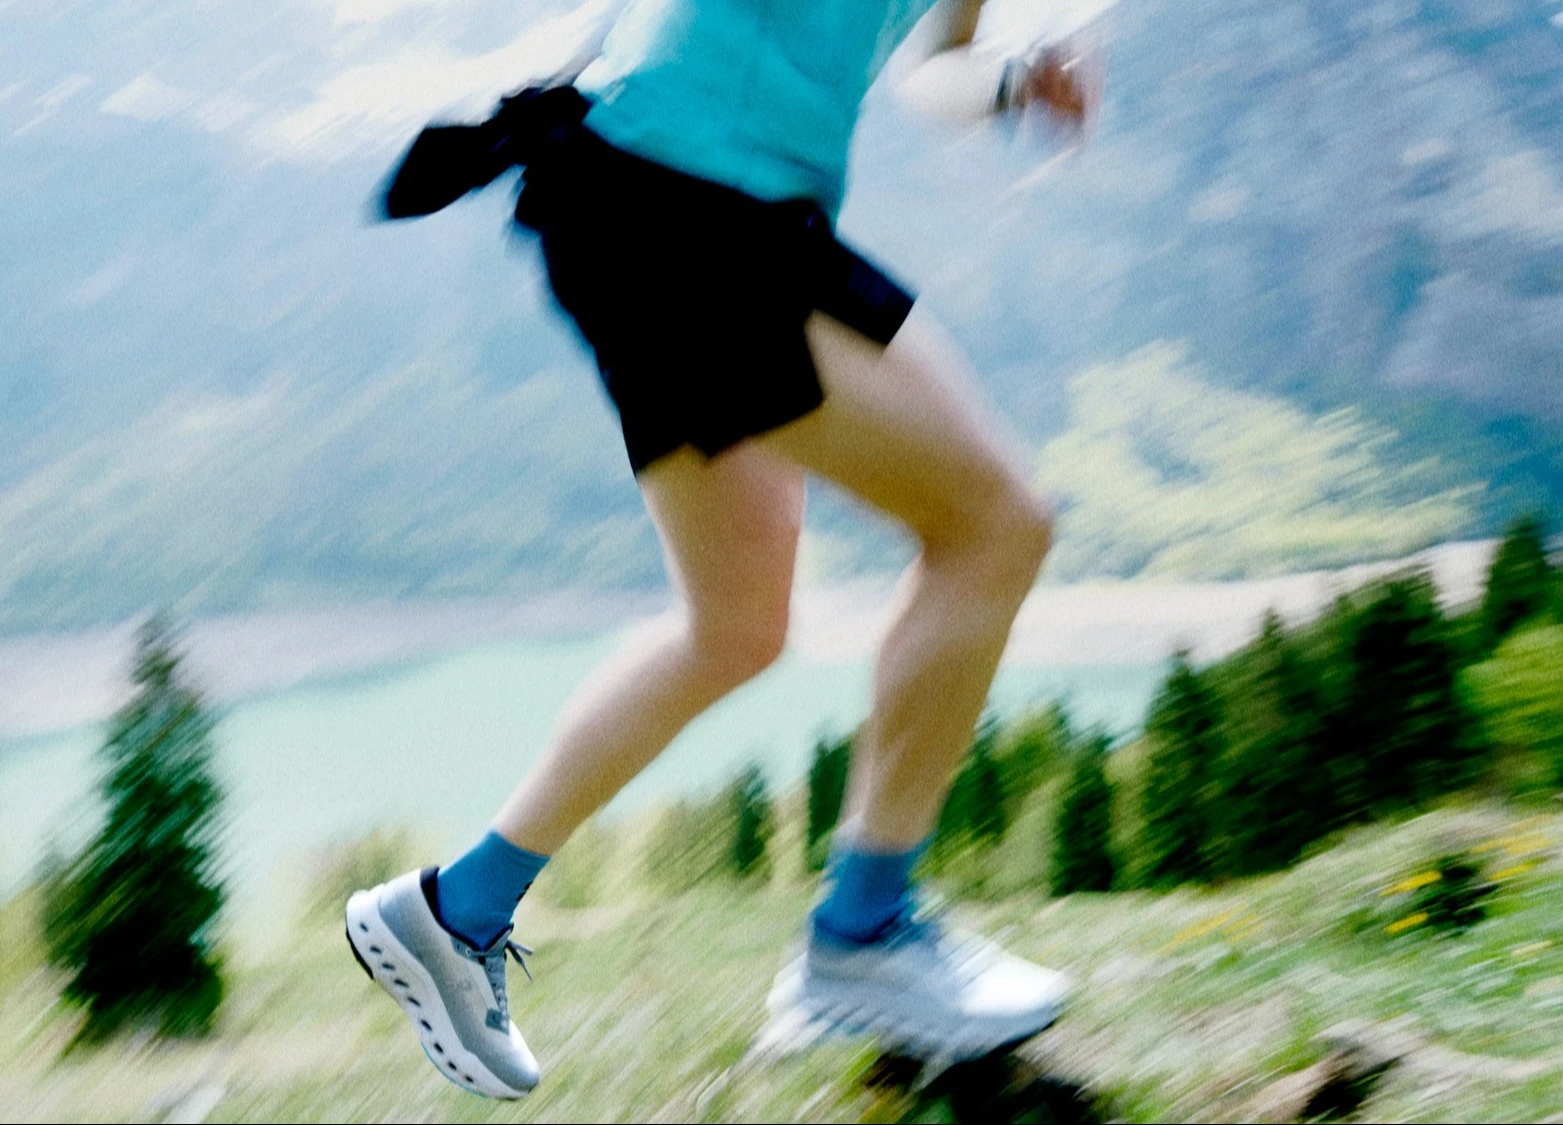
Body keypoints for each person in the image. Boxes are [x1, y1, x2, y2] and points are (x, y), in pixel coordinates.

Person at [345, 0, 1100, 1099]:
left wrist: (1013, 78)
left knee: (734, 629)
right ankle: (865, 933)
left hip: (659, 210)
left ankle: (455, 910)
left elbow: (929, 66)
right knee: (994, 527)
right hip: (679, 209)